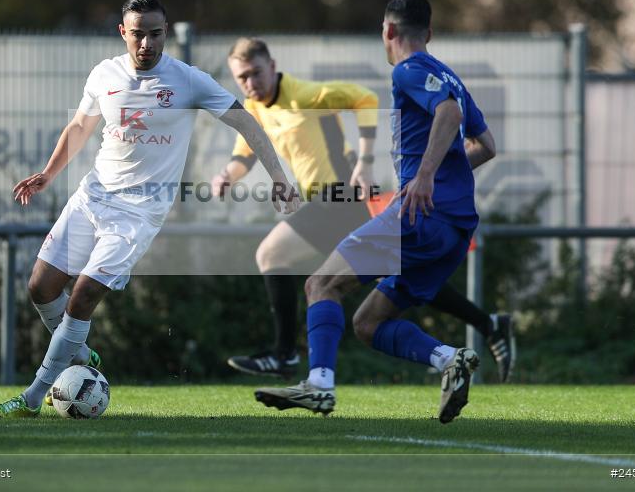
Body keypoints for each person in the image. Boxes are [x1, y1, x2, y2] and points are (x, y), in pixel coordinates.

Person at [0, 0, 299, 418]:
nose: (147, 43)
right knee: (41, 287)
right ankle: (79, 352)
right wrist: (48, 173)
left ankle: (34, 396)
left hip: (138, 213)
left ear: (165, 33)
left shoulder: (188, 80)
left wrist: (279, 178)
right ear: (123, 33)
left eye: (155, 34)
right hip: (92, 196)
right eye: (138, 34)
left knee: (84, 294)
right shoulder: (104, 74)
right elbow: (79, 126)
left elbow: (245, 121)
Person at [255, 0, 496, 423]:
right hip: (455, 231)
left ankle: (319, 385)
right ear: (430, 32)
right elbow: (486, 146)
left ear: (388, 31)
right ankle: (448, 359)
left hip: (417, 218)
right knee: (368, 323)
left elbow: (448, 115)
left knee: (320, 284)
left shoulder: (408, 69)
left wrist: (424, 177)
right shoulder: (450, 76)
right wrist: (439, 175)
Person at [215, 38, 514, 382]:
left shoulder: (306, 95)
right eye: (242, 78)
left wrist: (366, 161)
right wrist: (227, 176)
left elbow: (365, 98)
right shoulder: (253, 109)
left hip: (340, 195)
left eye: (255, 73)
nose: (250, 83)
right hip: (325, 203)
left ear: (272, 66)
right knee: (397, 273)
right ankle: (487, 324)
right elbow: (244, 154)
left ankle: (285, 356)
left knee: (272, 254)